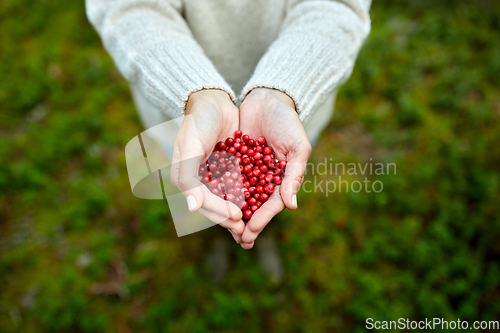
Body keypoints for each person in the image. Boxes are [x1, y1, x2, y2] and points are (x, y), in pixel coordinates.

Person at [86, 0, 371, 254]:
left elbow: (339, 6)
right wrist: (194, 94)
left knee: (276, 185)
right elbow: (128, 9)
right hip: (181, 106)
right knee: (196, 186)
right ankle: (214, 234)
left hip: (290, 104)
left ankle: (263, 229)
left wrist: (283, 89)